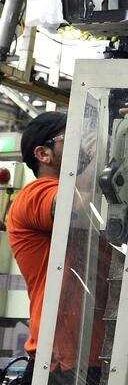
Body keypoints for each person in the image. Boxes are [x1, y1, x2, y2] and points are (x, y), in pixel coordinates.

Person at [6, 112, 67, 384]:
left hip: (90, 355)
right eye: (71, 137)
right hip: (59, 363)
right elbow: (70, 207)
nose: (86, 144)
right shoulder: (34, 195)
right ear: (43, 154)